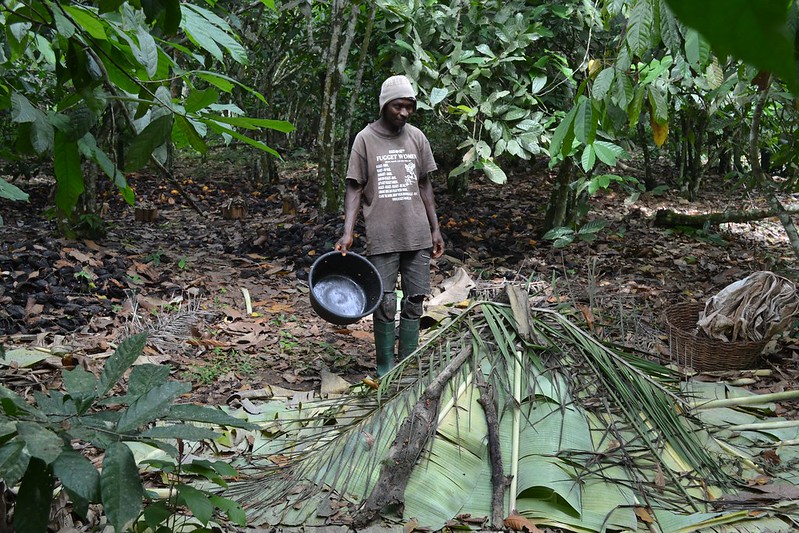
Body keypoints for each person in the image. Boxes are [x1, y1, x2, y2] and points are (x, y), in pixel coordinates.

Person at [335, 75, 445, 377]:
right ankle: (385, 367)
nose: (404, 113)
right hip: (382, 235)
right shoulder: (365, 139)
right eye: (398, 106)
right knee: (384, 302)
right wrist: (348, 232)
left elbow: (424, 184)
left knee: (415, 299)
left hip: (417, 234)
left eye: (409, 107)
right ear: (385, 105)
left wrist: (435, 228)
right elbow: (354, 188)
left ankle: (407, 366)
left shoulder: (417, 138)